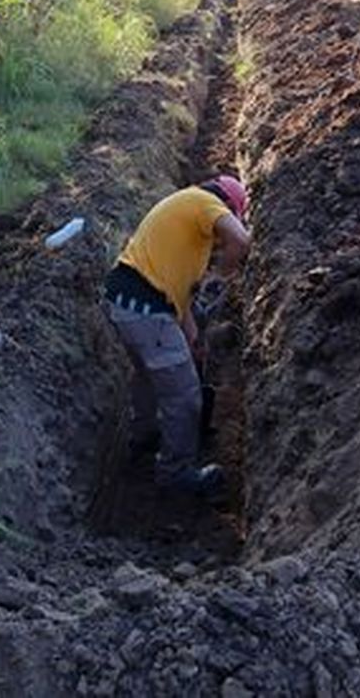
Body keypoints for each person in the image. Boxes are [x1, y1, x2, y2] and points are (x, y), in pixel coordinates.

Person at [103, 175, 252, 499]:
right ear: (226, 205)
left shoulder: (185, 223)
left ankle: (144, 435)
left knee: (148, 377)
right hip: (146, 308)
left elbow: (180, 300)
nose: (218, 244)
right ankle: (176, 473)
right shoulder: (203, 202)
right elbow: (241, 241)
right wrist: (221, 275)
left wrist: (193, 341)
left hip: (127, 303)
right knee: (184, 396)